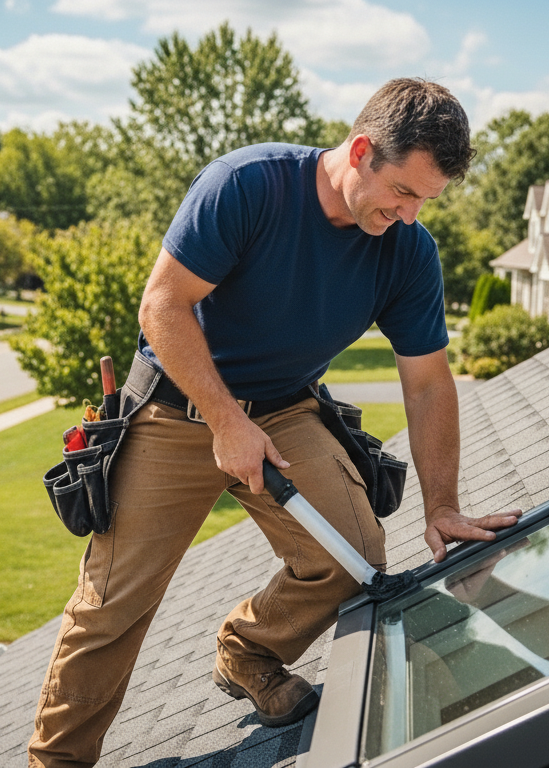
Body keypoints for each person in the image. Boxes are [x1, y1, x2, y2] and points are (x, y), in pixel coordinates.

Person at [28, 78, 521, 768]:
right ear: (360, 152)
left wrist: (443, 506)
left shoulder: (408, 251)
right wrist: (226, 421)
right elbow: (163, 307)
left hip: (286, 407)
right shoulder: (248, 186)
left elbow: (430, 383)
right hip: (177, 408)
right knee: (113, 605)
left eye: (426, 201)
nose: (410, 215)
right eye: (403, 193)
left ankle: (249, 655)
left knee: (350, 558)